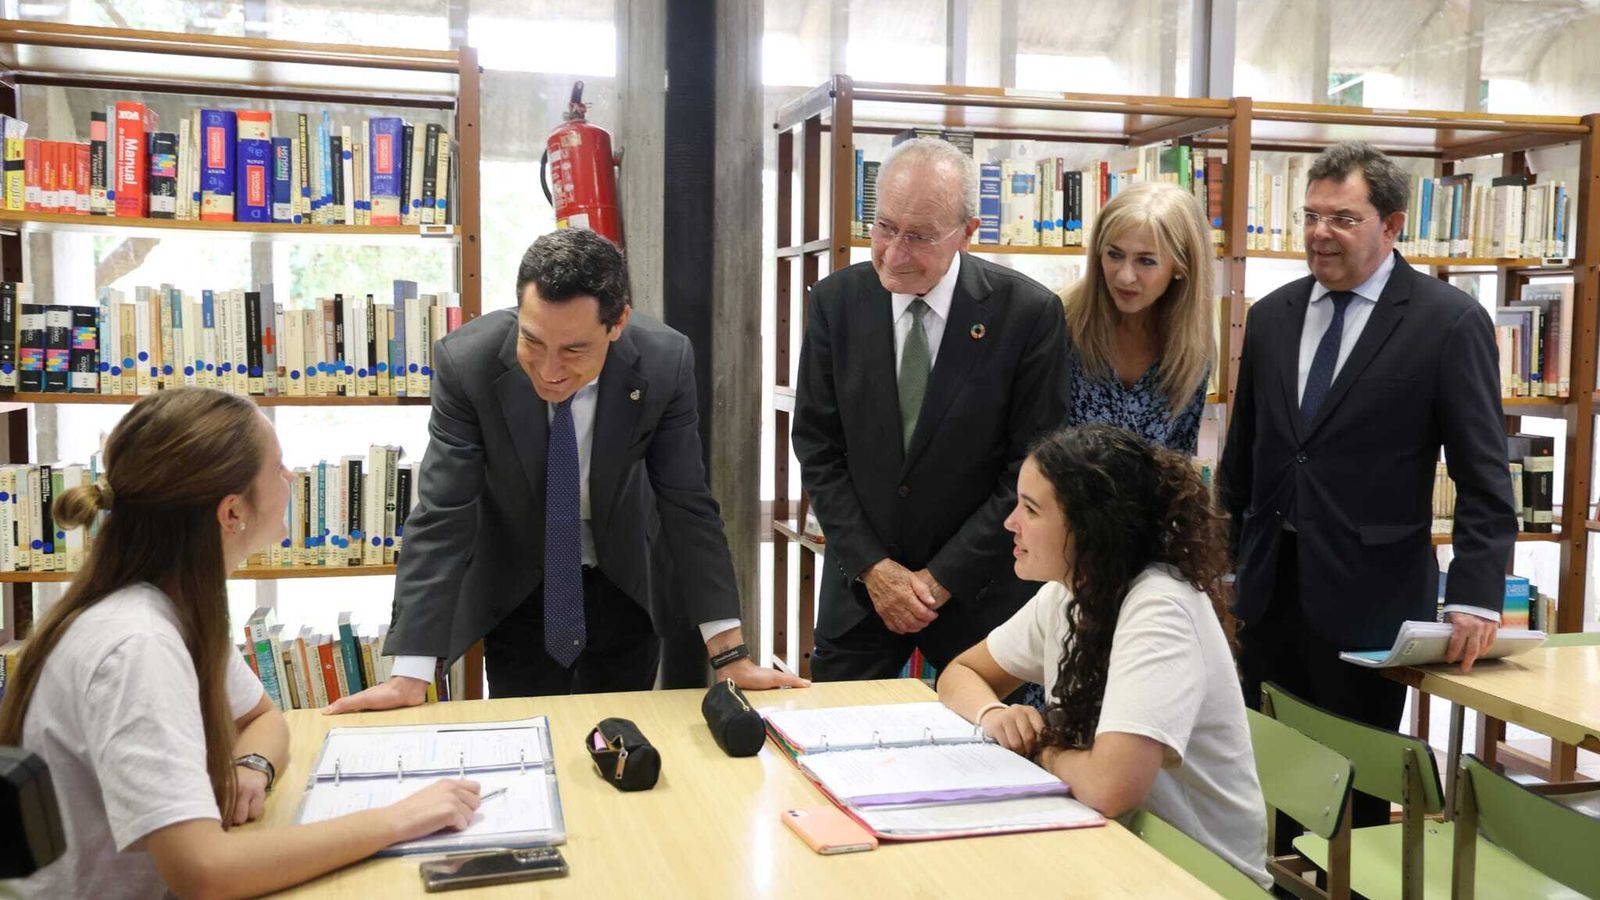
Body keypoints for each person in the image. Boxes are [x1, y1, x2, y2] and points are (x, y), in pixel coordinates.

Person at [0, 388, 482, 900]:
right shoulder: (138, 646)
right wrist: (398, 819)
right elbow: (205, 873)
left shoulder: (169, 601)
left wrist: (250, 767)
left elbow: (261, 719)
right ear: (231, 513)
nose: (292, 479)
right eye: (278, 468)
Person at [331, 228, 803, 711]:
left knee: (622, 739)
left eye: (574, 350)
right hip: (519, 584)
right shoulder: (467, 364)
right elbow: (443, 512)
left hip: (623, 581)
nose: (549, 370)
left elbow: (687, 504)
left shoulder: (663, 362)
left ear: (617, 323)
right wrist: (410, 674)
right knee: (528, 739)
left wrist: (732, 656)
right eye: (533, 341)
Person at [1219, 141, 1515, 830]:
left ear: (1392, 225)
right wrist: (1224, 569)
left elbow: (1482, 474)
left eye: (1343, 219)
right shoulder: (1271, 316)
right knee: (1275, 776)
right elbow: (1246, 458)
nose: (1320, 234)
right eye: (1311, 216)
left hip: (1372, 597)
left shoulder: (1448, 322)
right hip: (1268, 593)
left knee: (1354, 789)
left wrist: (1475, 596)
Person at [938, 424, 1269, 890]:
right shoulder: (1071, 591)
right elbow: (961, 673)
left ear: (1091, 526)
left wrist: (1042, 749)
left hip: (1196, 877)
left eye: (1031, 510)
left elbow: (1110, 788)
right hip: (1115, 848)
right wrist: (992, 713)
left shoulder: (1159, 607)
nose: (1010, 523)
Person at [792, 136, 1071, 681]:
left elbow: (1030, 468)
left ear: (968, 232)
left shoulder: (1028, 315)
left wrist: (939, 579)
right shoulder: (836, 304)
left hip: (981, 601)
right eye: (884, 227)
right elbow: (818, 448)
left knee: (982, 759)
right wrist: (875, 570)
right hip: (859, 595)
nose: (894, 253)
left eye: (919, 237)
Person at [1061, 181, 1215, 454]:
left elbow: (1179, 464)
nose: (1124, 276)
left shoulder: (1192, 351)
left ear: (1181, 266)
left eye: (1146, 261)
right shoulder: (1059, 323)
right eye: (1114, 255)